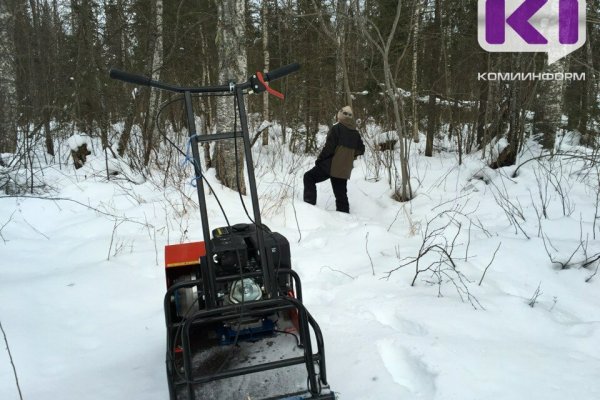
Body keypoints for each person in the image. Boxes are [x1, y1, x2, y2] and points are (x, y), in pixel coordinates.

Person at [303, 106, 365, 213]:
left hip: (330, 166)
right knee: (341, 196)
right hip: (344, 169)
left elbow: (329, 149)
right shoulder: (355, 133)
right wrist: (349, 156)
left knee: (309, 177)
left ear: (340, 116)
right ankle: (344, 218)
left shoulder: (337, 129)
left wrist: (319, 160)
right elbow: (361, 149)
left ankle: (309, 208)